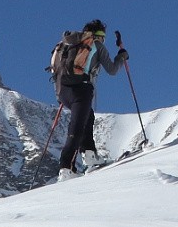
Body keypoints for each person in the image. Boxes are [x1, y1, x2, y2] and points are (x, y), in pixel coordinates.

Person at [55, 19, 128, 179]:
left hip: (63, 92)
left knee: (88, 117)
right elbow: (112, 70)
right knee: (77, 128)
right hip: (82, 90)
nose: (103, 39)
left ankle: (90, 156)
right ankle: (67, 168)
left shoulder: (67, 44)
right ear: (99, 35)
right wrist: (122, 57)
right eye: (103, 36)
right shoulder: (97, 45)